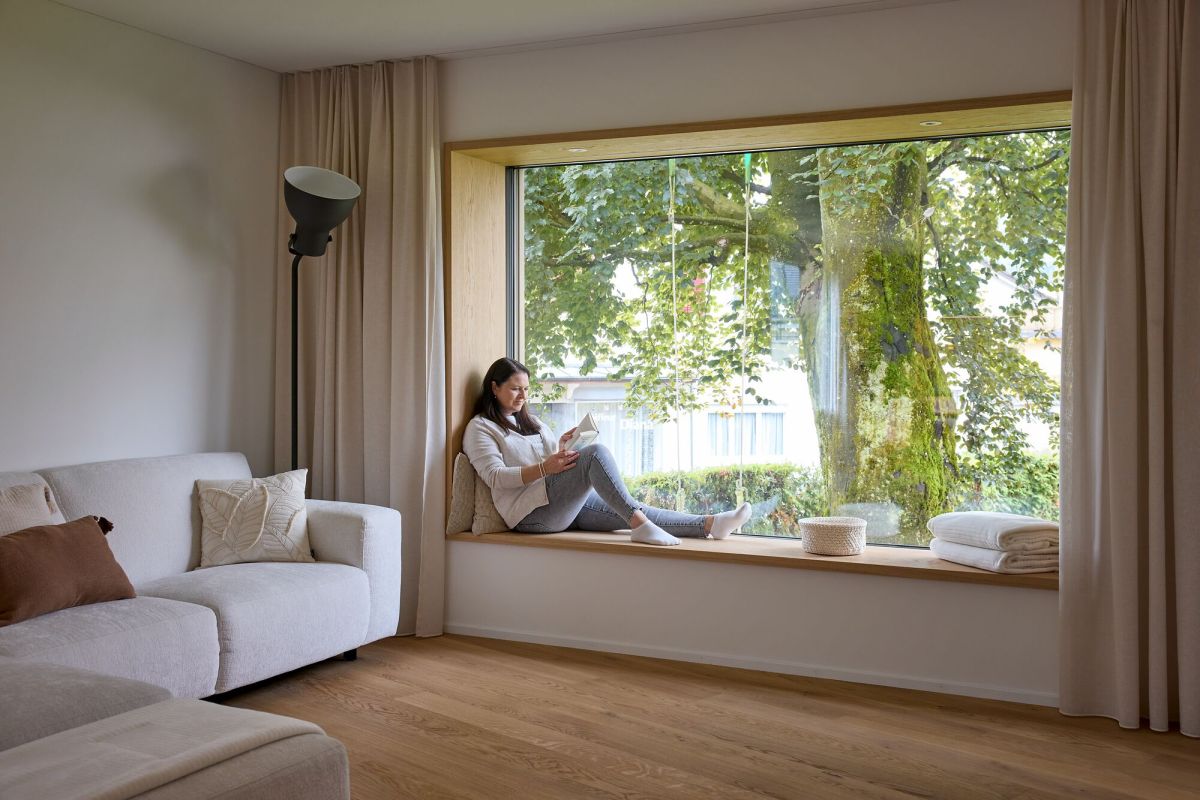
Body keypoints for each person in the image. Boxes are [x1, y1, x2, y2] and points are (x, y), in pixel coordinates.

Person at [462, 357, 752, 546]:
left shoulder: (531, 421)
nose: (523, 397)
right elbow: (496, 477)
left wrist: (562, 448)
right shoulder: (481, 428)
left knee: (632, 508)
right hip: (531, 516)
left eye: (526, 389)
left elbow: (546, 463)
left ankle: (712, 524)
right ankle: (640, 526)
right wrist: (544, 468)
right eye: (515, 389)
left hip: (557, 502)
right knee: (596, 452)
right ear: (494, 388)